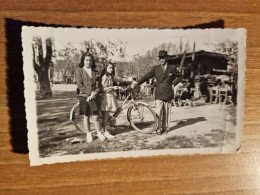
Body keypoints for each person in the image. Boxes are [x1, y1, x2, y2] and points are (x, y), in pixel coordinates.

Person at [134, 50, 183, 134]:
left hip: (168, 92)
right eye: (160, 58)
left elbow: (180, 76)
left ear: (166, 58)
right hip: (159, 92)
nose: (161, 60)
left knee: (167, 112)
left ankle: (165, 128)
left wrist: (173, 84)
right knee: (158, 112)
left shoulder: (172, 68)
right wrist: (138, 82)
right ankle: (158, 128)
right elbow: (147, 76)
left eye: (163, 58)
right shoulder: (156, 68)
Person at [75, 53, 105, 143]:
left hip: (94, 96)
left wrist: (94, 94)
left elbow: (98, 86)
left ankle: (99, 132)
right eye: (87, 60)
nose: (89, 62)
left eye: (90, 60)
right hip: (84, 95)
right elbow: (80, 85)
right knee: (86, 115)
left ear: (92, 61)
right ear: (83, 61)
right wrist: (89, 94)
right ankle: (88, 133)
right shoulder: (79, 70)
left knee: (96, 116)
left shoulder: (95, 72)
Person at [99, 59, 131, 139]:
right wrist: (113, 87)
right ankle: (105, 132)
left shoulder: (110, 76)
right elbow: (103, 89)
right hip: (105, 97)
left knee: (107, 114)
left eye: (112, 68)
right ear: (106, 68)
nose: (111, 69)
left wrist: (126, 80)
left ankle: (105, 129)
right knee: (106, 114)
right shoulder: (105, 77)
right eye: (110, 68)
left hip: (110, 96)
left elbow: (118, 79)